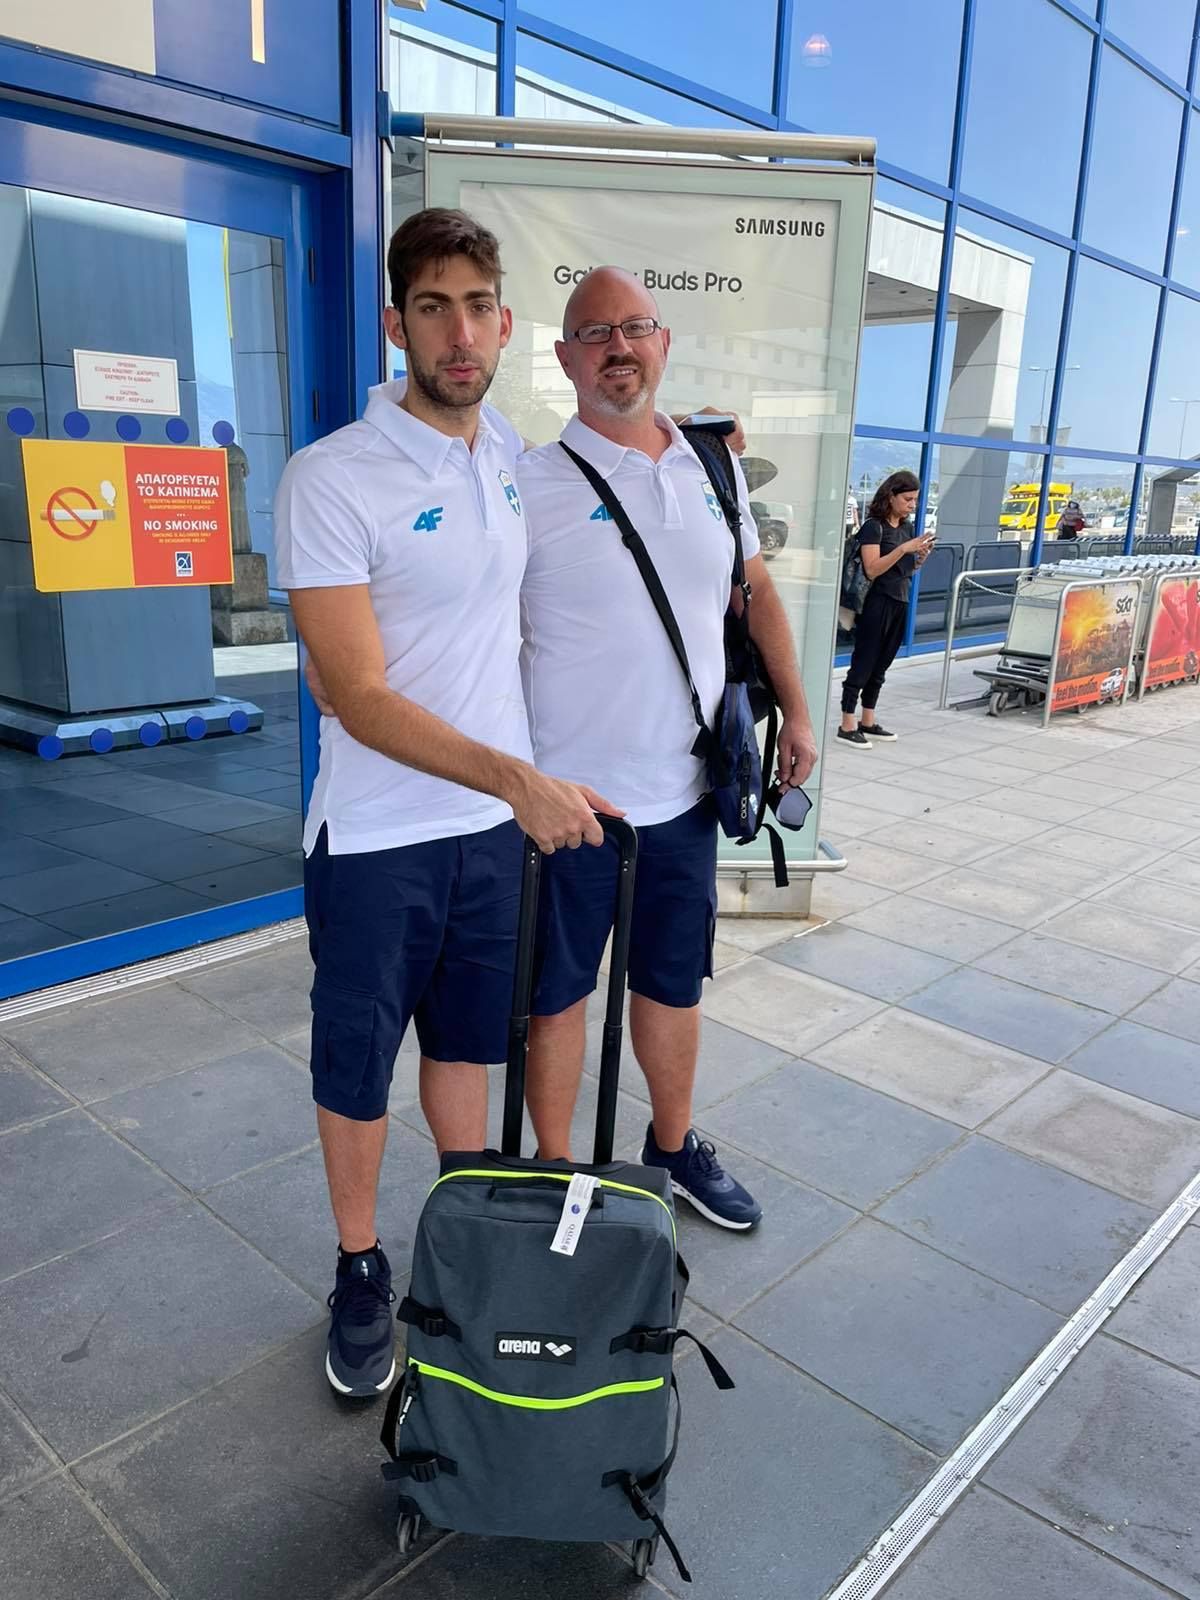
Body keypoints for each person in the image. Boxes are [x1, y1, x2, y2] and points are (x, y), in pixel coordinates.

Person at [274, 208, 622, 1399]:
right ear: (396, 323)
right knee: (356, 1061)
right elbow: (355, 694)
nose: (458, 332)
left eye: (477, 306)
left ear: (506, 324)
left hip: (488, 835)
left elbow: (513, 626)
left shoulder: (507, 456)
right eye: (433, 307)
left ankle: (462, 1235)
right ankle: (360, 1265)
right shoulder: (332, 476)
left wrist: (546, 770)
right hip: (377, 836)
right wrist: (517, 778)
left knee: (468, 1050)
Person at [517, 267, 818, 1230]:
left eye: (635, 327)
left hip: (686, 795)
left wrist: (799, 713)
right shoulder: (526, 481)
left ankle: (674, 1146)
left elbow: (754, 596)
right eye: (594, 332)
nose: (618, 346)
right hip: (570, 809)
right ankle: (555, 1172)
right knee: (557, 999)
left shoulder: (711, 467)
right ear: (565, 358)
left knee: (673, 985)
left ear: (664, 342)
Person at [837, 470, 931, 748]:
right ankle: (847, 723)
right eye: (907, 499)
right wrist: (903, 549)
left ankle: (868, 720)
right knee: (864, 661)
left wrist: (919, 557)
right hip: (876, 603)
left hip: (900, 600)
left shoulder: (906, 528)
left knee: (881, 665)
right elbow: (872, 569)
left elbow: (906, 571)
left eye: (915, 499)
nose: (912, 505)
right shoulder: (874, 527)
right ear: (891, 496)